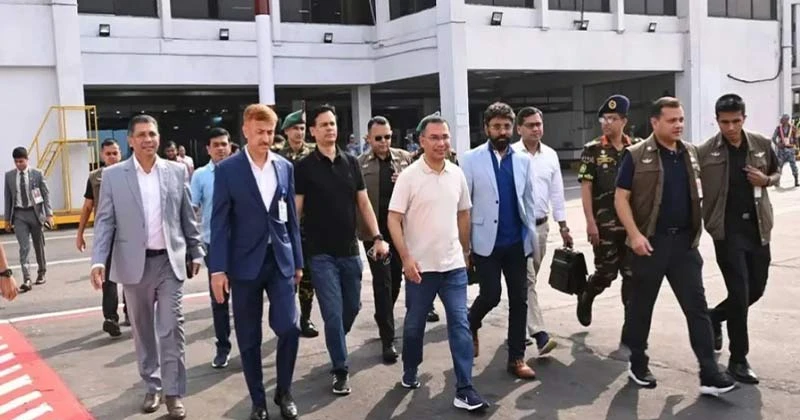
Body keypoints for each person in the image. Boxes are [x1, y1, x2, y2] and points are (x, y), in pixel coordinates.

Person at [614, 97, 735, 395]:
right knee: (641, 308)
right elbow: (621, 198)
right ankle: (638, 363)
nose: (678, 124)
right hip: (650, 244)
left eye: (681, 119)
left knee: (697, 309)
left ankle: (709, 373)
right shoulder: (635, 155)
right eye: (672, 120)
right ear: (655, 122)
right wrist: (635, 235)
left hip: (684, 245)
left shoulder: (690, 153)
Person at [90, 114, 204, 419]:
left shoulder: (176, 171)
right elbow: (105, 221)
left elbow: (187, 215)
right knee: (142, 331)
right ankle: (152, 385)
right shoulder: (113, 176)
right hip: (133, 266)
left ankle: (173, 393)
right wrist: (98, 260)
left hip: (168, 261)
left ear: (158, 137)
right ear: (130, 140)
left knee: (171, 329)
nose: (147, 140)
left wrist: (196, 250)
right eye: (141, 135)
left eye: (152, 134)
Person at [388, 114, 488, 411]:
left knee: (460, 324)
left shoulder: (456, 174)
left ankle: (465, 388)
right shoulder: (409, 177)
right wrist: (406, 258)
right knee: (414, 327)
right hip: (420, 270)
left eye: (445, 137)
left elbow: (464, 213)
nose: (441, 143)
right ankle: (410, 368)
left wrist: (465, 251)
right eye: (434, 137)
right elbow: (393, 218)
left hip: (453, 266)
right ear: (421, 141)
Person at [210, 105, 302, 420]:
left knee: (289, 328)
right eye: (259, 132)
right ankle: (258, 401)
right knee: (249, 337)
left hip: (280, 261)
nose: (265, 138)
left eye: (269, 132)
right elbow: (219, 223)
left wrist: (298, 261)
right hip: (244, 264)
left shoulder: (284, 167)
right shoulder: (228, 170)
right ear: (245, 131)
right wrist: (218, 269)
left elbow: (291, 220)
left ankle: (284, 391)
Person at [294, 104, 388, 395]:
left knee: (352, 307)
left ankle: (336, 339)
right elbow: (296, 212)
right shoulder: (304, 168)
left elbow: (364, 203)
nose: (330, 129)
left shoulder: (351, 162)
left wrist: (377, 236)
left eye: (332, 123)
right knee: (333, 314)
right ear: (313, 131)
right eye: (323, 124)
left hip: (349, 250)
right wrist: (293, 251)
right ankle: (340, 369)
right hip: (319, 253)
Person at [698, 94, 780, 385]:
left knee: (755, 289)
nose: (731, 128)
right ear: (717, 121)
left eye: (736, 121)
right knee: (740, 291)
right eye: (725, 122)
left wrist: (765, 180)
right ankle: (738, 359)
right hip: (727, 232)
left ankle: (715, 316)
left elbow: (777, 172)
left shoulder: (761, 143)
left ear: (744, 118)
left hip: (758, 229)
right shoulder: (706, 152)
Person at [461, 102, 537, 379]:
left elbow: (528, 201)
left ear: (513, 128)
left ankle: (516, 358)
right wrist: (465, 247)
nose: (502, 131)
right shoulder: (471, 159)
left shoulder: (523, 160)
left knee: (520, 299)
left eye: (506, 126)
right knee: (491, 295)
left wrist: (532, 238)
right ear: (486, 128)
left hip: (516, 242)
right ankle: (471, 322)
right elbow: (464, 206)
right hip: (485, 243)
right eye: (496, 126)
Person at [511, 106, 571, 355]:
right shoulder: (510, 154)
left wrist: (563, 225)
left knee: (526, 281)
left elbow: (557, 192)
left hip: (541, 227)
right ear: (519, 129)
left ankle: (518, 325)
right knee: (527, 280)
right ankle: (540, 334)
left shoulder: (551, 156)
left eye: (539, 124)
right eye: (530, 125)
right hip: (517, 229)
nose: (536, 129)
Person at [576, 95, 637, 338]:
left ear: (624, 121)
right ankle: (588, 293)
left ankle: (630, 327)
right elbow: (586, 187)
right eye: (604, 119)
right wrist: (590, 222)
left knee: (631, 276)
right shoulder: (592, 149)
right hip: (605, 224)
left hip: (631, 225)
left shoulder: (637, 148)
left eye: (612, 118)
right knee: (606, 273)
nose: (607, 123)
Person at [356, 116, 413, 363]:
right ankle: (388, 339)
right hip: (374, 233)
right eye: (378, 138)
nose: (383, 142)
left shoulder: (405, 159)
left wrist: (406, 182)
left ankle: (383, 316)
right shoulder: (359, 164)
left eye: (388, 137)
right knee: (383, 282)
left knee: (396, 280)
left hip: (399, 230)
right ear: (368, 139)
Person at [190, 128, 233, 369]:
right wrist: (192, 246)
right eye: (216, 145)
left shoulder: (241, 170)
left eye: (224, 144)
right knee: (219, 299)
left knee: (247, 299)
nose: (221, 149)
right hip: (214, 244)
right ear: (208, 149)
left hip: (242, 244)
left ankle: (249, 346)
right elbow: (192, 208)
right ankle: (223, 347)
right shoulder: (200, 176)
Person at [77, 139, 128, 338]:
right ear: (101, 155)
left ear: (120, 153)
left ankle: (131, 312)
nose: (112, 157)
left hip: (128, 231)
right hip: (105, 232)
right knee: (108, 277)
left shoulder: (130, 173)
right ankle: (111, 318)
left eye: (115, 153)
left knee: (131, 274)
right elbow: (87, 207)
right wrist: (80, 233)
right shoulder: (94, 177)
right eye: (108, 154)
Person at [276, 109, 319, 338]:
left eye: (302, 128)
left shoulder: (314, 153)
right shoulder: (276, 156)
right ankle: (287, 316)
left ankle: (305, 317)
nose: (299, 132)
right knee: (286, 274)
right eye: (295, 128)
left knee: (307, 275)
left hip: (309, 221)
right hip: (283, 223)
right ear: (286, 131)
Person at [4, 146, 52, 292]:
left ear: (27, 159)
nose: (19, 164)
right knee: (24, 247)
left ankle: (41, 272)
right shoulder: (9, 176)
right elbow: (8, 198)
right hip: (19, 215)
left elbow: (45, 194)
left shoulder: (37, 174)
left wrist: (49, 215)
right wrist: (7, 219)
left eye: (21, 161)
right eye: (16, 162)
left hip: (35, 214)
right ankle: (27, 278)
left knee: (39, 245)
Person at [771, 113, 798, 187]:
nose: (781, 120)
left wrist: (796, 147)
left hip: (790, 149)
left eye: (782, 119)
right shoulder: (778, 128)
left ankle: (796, 181)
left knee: (793, 166)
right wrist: (777, 144)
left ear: (787, 120)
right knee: (779, 166)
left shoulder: (793, 128)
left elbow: (796, 138)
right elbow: (773, 138)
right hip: (781, 150)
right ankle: (777, 182)